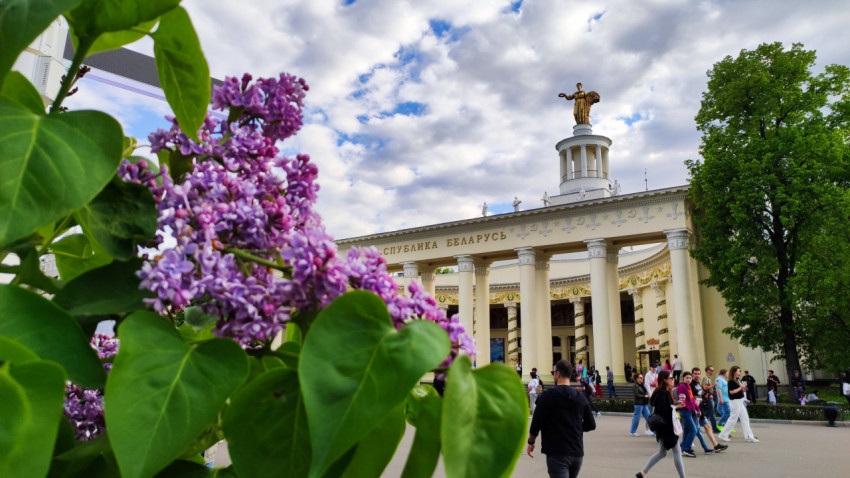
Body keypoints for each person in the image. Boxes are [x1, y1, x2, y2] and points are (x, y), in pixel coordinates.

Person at [528, 360, 596, 478]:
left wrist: (531, 442)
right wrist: (575, 426)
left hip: (557, 452)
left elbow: (536, 423)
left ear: (557, 374)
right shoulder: (580, 397)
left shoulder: (547, 396)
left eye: (554, 373)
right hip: (577, 452)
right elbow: (591, 424)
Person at [635, 370, 686, 478]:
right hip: (666, 428)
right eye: (671, 378)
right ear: (665, 380)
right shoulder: (662, 392)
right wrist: (676, 407)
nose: (673, 380)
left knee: (662, 453)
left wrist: (675, 405)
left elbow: (663, 407)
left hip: (663, 427)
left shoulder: (664, 391)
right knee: (677, 451)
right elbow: (663, 410)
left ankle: (642, 473)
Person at [676, 372, 714, 457]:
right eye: (687, 378)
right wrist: (688, 406)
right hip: (685, 411)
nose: (688, 379)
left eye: (690, 378)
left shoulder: (688, 386)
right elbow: (682, 398)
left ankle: (683, 447)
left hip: (690, 411)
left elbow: (692, 399)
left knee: (687, 430)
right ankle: (687, 448)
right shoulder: (682, 386)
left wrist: (697, 409)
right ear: (683, 378)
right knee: (693, 430)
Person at [717, 366, 758, 443]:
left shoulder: (737, 380)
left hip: (740, 400)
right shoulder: (731, 381)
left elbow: (740, 389)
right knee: (733, 419)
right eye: (738, 371)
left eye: (740, 371)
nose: (739, 373)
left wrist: (743, 388)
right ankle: (723, 435)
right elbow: (732, 392)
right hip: (734, 402)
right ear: (734, 372)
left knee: (745, 418)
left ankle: (749, 436)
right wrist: (741, 387)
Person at [690, 368, 727, 453]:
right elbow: (691, 396)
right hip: (694, 409)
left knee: (707, 427)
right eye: (695, 373)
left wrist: (705, 395)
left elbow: (700, 392)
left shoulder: (698, 383)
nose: (697, 375)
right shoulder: (691, 384)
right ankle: (685, 446)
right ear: (692, 374)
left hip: (700, 408)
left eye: (698, 373)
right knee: (693, 430)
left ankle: (716, 445)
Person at [701, 365, 721, 433]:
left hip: (709, 397)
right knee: (712, 414)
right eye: (712, 370)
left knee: (707, 413)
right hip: (708, 397)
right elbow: (705, 387)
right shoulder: (706, 378)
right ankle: (714, 428)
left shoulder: (707, 378)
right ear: (708, 371)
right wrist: (714, 385)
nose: (713, 371)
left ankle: (698, 425)